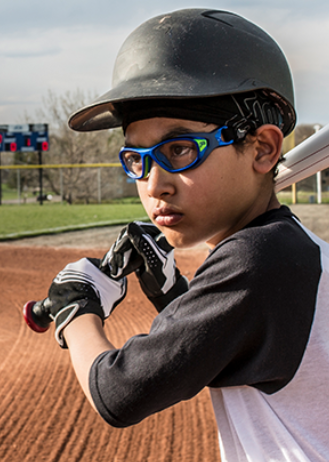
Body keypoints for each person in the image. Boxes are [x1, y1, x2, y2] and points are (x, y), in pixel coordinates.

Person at [28, 9, 329, 462]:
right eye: (138, 158)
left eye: (180, 149)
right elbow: (221, 354)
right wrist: (176, 298)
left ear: (263, 148)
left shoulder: (260, 258)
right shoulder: (287, 252)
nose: (154, 184)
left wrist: (77, 305)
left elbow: (118, 392)